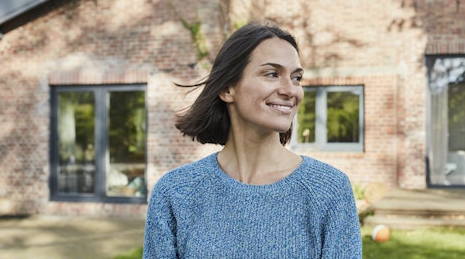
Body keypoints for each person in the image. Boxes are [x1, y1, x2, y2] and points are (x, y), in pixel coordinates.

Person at [143, 21, 362, 258]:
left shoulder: (329, 190)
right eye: (272, 74)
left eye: (296, 78)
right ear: (227, 89)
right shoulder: (176, 192)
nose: (291, 90)